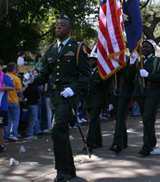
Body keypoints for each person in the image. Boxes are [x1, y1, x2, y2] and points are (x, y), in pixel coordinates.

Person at [24, 11, 90, 182]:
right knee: (60, 131)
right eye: (57, 25)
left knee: (57, 129)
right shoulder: (51, 49)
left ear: (70, 29)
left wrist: (73, 89)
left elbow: (85, 75)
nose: (58, 27)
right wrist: (32, 80)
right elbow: (44, 76)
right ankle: (69, 168)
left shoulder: (77, 48)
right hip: (55, 95)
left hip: (69, 95)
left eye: (62, 25)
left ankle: (61, 170)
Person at [128, 40, 160, 156]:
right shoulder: (139, 61)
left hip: (154, 92)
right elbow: (129, 76)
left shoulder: (158, 61)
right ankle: (152, 141)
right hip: (141, 93)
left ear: (152, 49)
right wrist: (131, 63)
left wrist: (148, 75)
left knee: (148, 117)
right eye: (143, 47)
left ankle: (147, 146)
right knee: (147, 119)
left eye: (147, 47)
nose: (144, 49)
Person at [109, 54, 135, 154]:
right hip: (114, 93)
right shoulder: (110, 60)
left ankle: (117, 144)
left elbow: (129, 76)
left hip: (125, 92)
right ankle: (123, 141)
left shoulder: (128, 59)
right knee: (119, 117)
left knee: (120, 116)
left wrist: (119, 67)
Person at [82, 46, 107, 152]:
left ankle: (89, 144)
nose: (91, 61)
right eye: (90, 60)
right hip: (88, 100)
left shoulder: (101, 72)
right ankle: (98, 141)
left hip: (98, 100)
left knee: (92, 121)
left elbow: (105, 87)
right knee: (95, 121)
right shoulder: (87, 72)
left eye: (93, 60)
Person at [5, 62, 27, 141]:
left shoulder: (2, 77)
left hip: (5, 101)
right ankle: (13, 133)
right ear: (14, 70)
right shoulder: (16, 79)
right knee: (15, 118)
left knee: (7, 119)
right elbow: (20, 91)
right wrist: (25, 87)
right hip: (14, 101)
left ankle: (6, 135)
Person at [24, 69, 42, 139]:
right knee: (34, 118)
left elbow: (25, 94)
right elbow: (38, 96)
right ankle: (30, 132)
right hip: (34, 103)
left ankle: (37, 130)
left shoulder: (26, 86)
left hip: (29, 102)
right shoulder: (35, 87)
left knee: (34, 117)